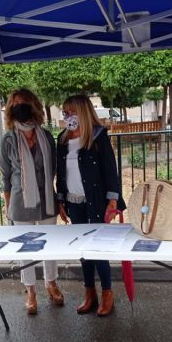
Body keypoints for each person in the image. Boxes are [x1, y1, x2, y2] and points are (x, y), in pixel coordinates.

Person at [56, 94, 126, 317]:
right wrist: (60, 200)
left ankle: (107, 292)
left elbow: (110, 171)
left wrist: (112, 201)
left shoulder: (98, 137)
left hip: (96, 201)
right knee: (82, 249)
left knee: (97, 248)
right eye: (65, 112)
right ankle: (89, 292)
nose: (68, 116)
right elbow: (61, 173)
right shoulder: (62, 139)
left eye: (71, 112)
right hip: (74, 201)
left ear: (82, 113)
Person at [0, 88, 64, 315]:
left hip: (46, 199)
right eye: (15, 104)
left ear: (33, 105)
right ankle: (30, 291)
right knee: (24, 248)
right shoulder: (7, 139)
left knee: (49, 245)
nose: (19, 107)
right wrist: (8, 206)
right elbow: (6, 177)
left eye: (24, 103)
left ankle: (51, 283)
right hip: (20, 201)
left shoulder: (45, 136)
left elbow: (53, 169)